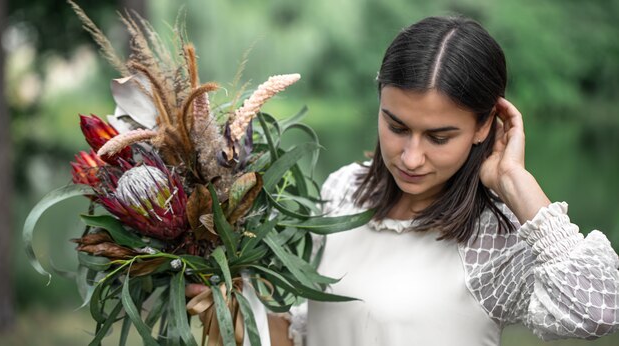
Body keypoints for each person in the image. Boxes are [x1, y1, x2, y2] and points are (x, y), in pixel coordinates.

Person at [188, 15, 619, 345]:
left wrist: (513, 178)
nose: (411, 157)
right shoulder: (343, 190)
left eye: (439, 136)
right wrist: (232, 309)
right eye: (396, 127)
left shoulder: (498, 235)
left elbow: (598, 309)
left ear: (485, 125)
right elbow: (313, 334)